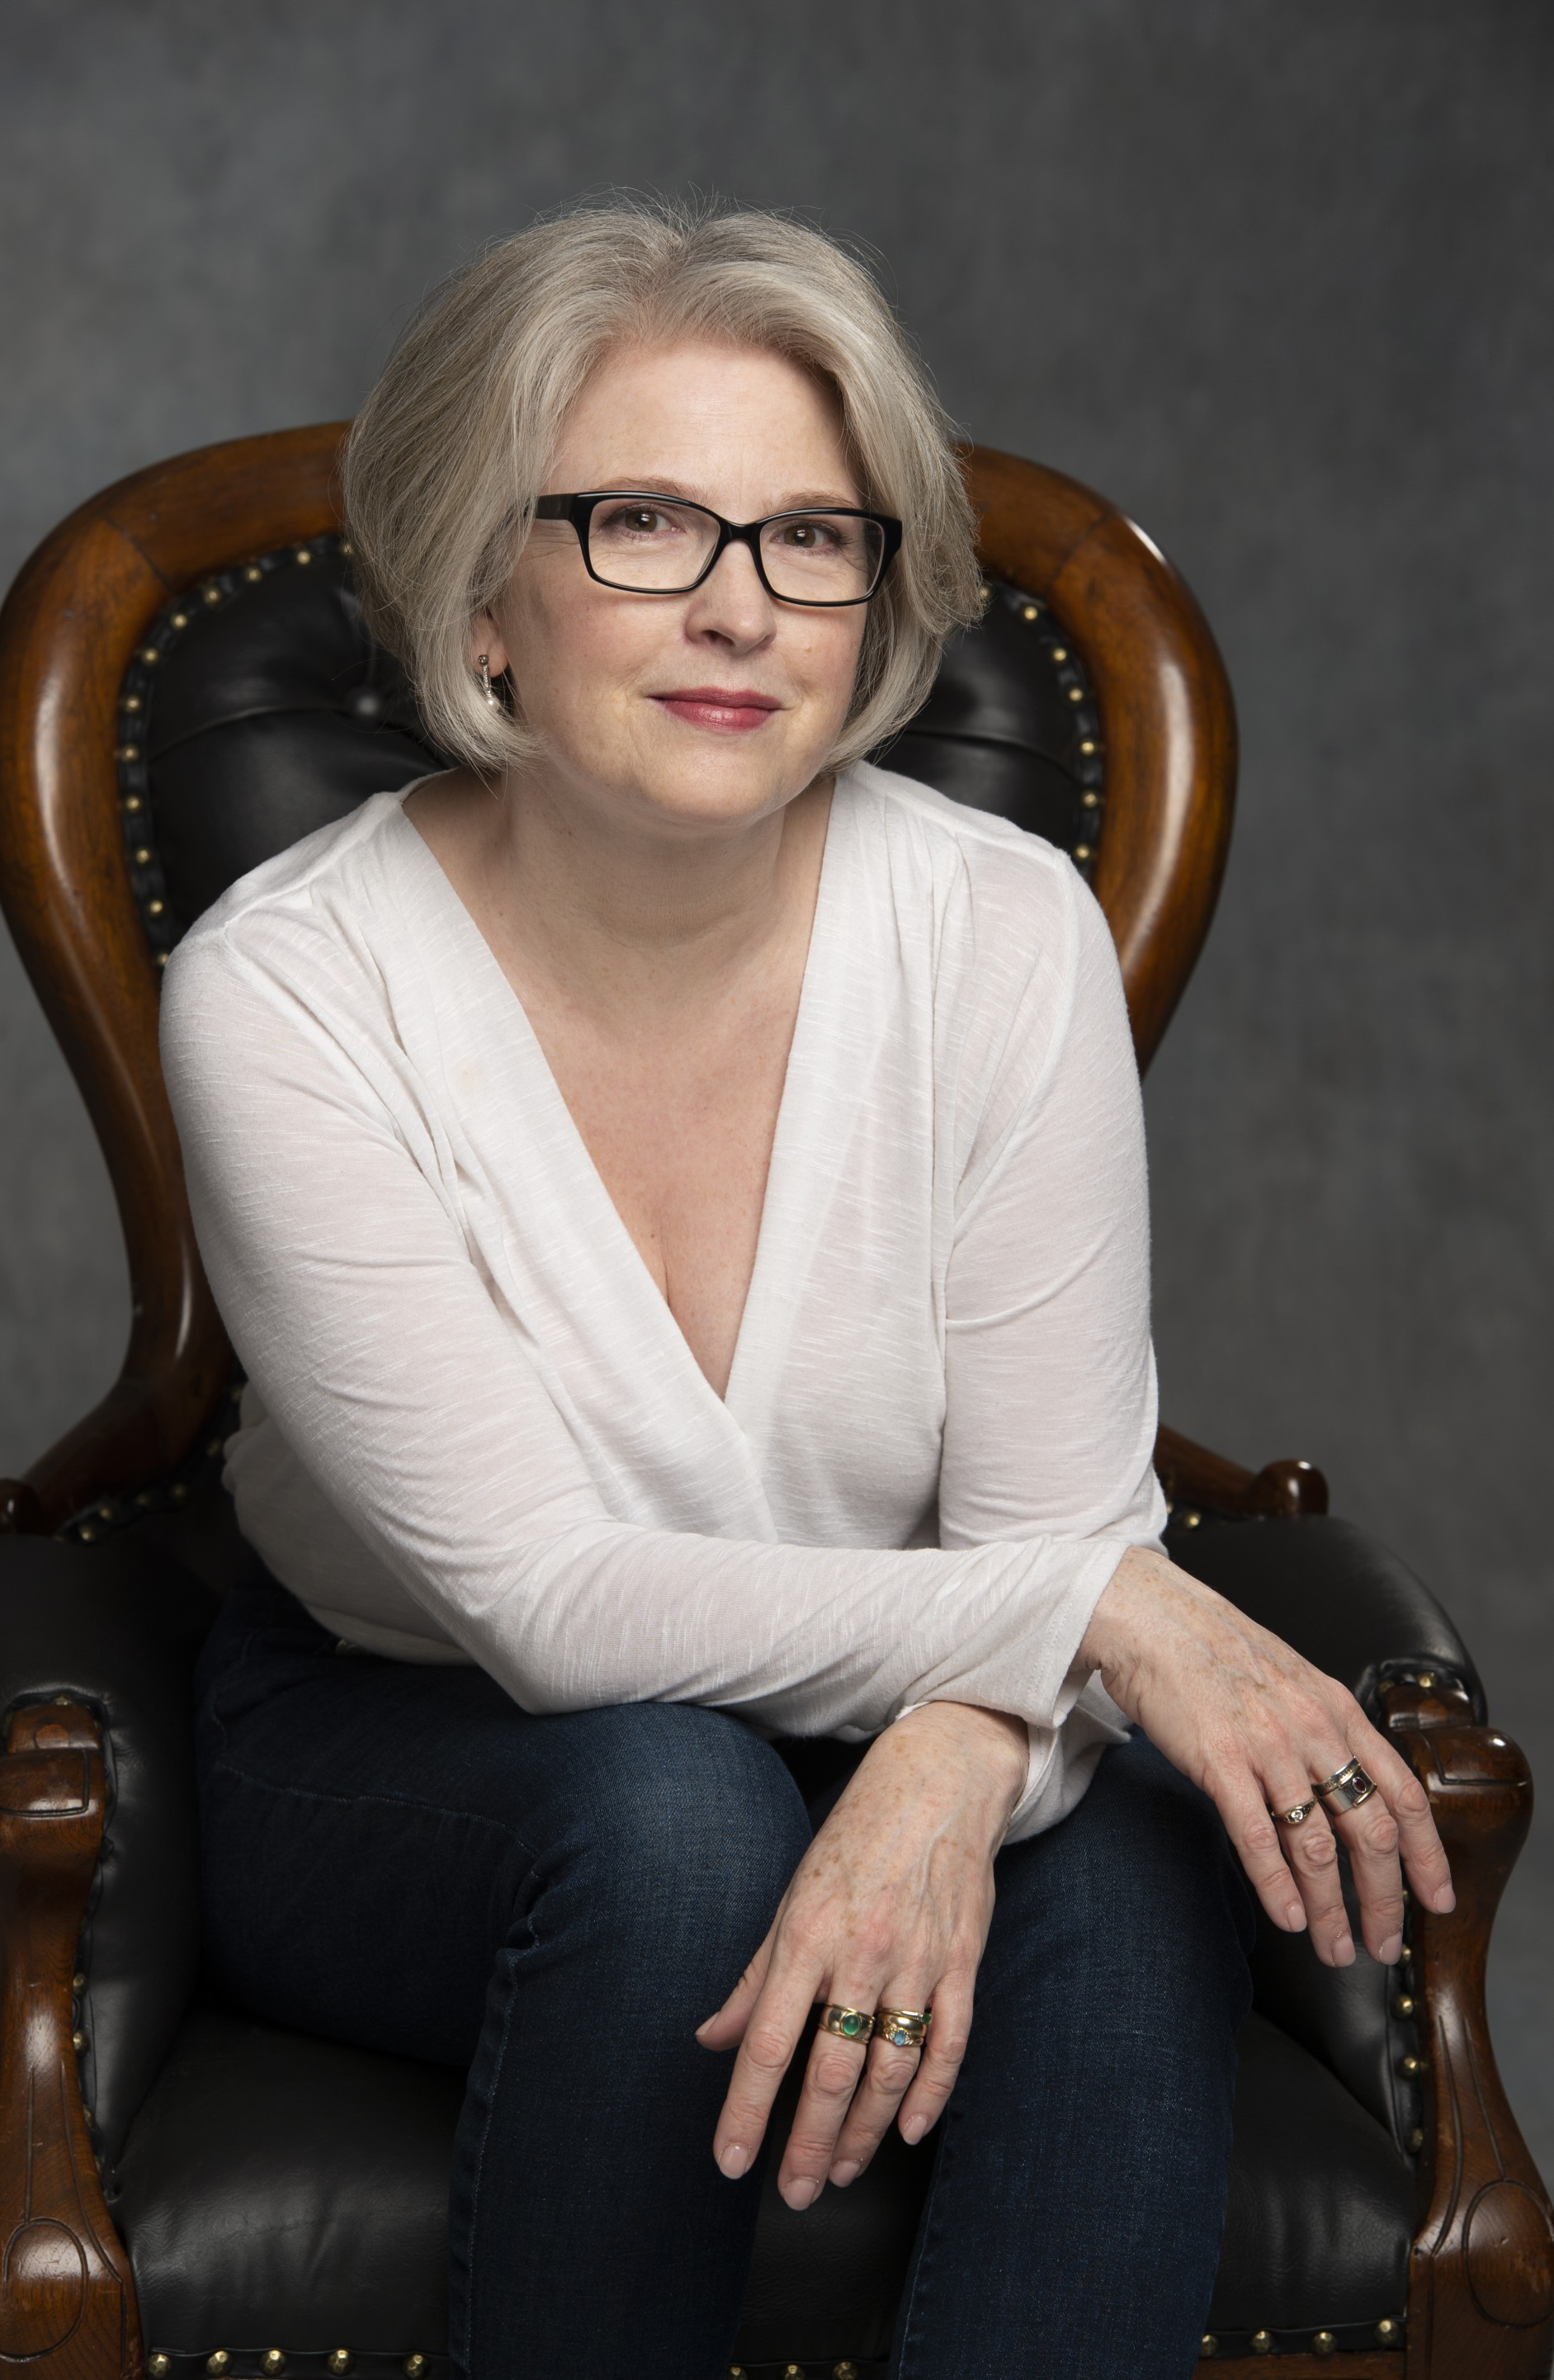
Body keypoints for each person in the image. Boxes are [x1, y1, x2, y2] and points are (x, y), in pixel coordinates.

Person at [160, 200, 1452, 2380]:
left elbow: (1041, 1526)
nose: (741, 608)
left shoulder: (1003, 933)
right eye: (644, 522)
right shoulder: (287, 990)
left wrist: (960, 1745)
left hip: (896, 1697)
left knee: (1132, 1889)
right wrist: (1105, 1610)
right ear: (482, 580)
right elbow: (555, 1603)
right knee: (673, 1813)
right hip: (411, 1737)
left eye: (814, 538)